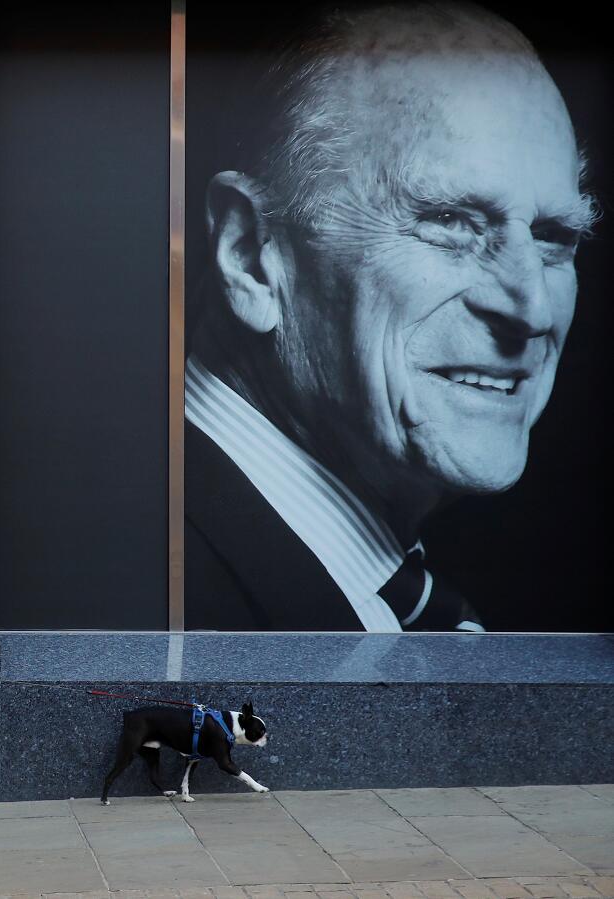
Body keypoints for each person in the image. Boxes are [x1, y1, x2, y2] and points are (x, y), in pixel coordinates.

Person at [185, 2, 597, 631]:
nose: (532, 308)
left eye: (553, 238)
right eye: (451, 223)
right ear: (251, 258)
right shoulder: (138, 591)